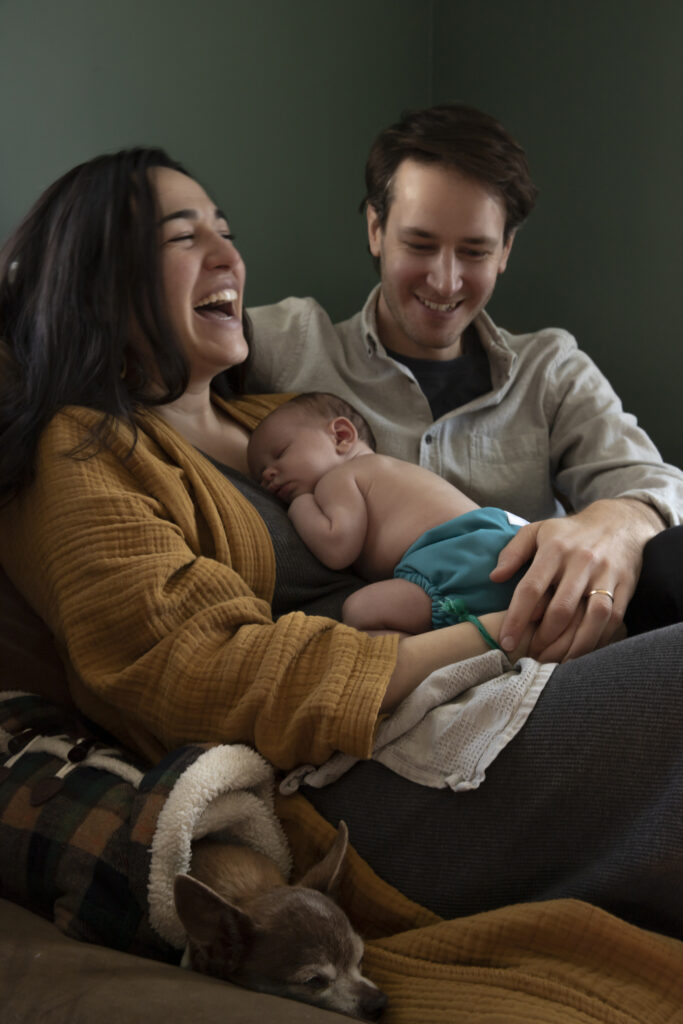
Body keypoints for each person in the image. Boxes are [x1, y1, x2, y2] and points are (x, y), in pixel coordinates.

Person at [0, 149, 682, 944]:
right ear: (94, 279)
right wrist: (500, 636)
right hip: (367, 758)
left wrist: (614, 528)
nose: (229, 256)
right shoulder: (86, 448)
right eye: (184, 238)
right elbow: (196, 671)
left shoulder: (273, 412)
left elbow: (640, 479)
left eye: (224, 232)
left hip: (485, 656)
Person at [245, 103, 683, 664]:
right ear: (376, 230)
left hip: (541, 648)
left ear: (505, 251)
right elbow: (158, 338)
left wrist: (615, 523)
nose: (445, 280)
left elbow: (653, 482)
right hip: (407, 656)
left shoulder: (549, 368)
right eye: (420, 244)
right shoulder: (295, 344)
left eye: (474, 251)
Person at [247, 391, 530, 637]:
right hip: (503, 542)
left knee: (359, 612)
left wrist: (299, 505)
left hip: (454, 556)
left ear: (341, 437)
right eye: (260, 476)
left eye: (280, 453)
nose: (269, 475)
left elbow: (337, 546)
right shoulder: (387, 471)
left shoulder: (340, 478)